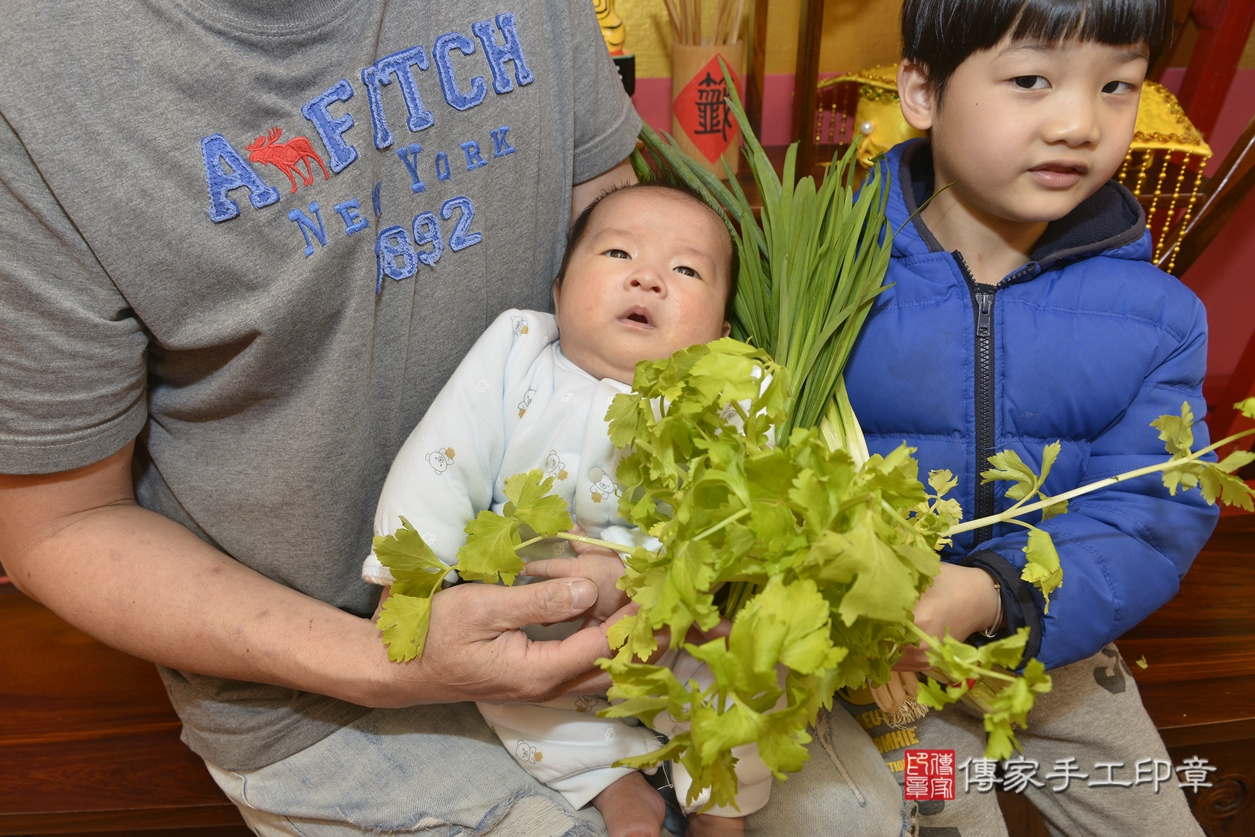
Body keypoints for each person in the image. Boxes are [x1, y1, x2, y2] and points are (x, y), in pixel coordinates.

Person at [0, 2, 911, 835]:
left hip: (645, 618)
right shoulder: (34, 80)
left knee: (864, 816)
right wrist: (392, 651)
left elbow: (617, 223)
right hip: (316, 685)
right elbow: (59, 521)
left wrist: (728, 560)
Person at [839, 0, 1219, 833]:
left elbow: (1150, 516)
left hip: (1060, 641)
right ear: (921, 90)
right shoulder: (826, 279)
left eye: (1116, 85)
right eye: (1030, 80)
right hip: (891, 671)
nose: (1080, 122)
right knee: (947, 815)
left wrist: (990, 592)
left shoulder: (1158, 315)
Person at [364, 182, 770, 837]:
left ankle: (720, 806)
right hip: (532, 597)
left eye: (686, 269)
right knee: (503, 694)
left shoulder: (729, 400)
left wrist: (645, 582)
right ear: (557, 291)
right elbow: (441, 459)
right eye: (617, 253)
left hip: (669, 625)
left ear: (720, 333)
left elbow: (735, 528)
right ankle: (614, 785)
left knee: (744, 677)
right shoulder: (516, 354)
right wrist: (408, 579)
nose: (647, 278)